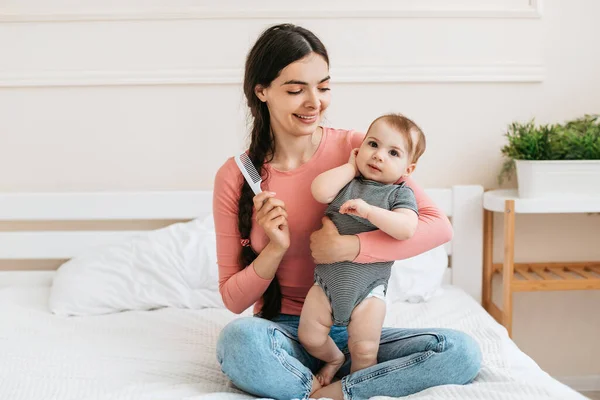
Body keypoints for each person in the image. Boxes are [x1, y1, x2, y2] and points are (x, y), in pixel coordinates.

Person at [213, 23, 481, 400]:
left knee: (460, 352)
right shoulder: (239, 177)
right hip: (284, 334)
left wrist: (350, 249)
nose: (314, 103)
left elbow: (437, 228)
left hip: (358, 329)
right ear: (262, 92)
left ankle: (337, 391)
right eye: (295, 89)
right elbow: (233, 300)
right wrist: (273, 249)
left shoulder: (362, 150)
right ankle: (334, 386)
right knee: (239, 342)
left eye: (323, 87)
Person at [298, 113, 424, 387]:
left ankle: (353, 389)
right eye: (373, 144)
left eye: (393, 152)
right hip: (326, 284)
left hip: (369, 291)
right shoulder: (347, 181)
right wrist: (349, 168)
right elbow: (320, 191)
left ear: (408, 169)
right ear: (360, 148)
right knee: (309, 336)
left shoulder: (399, 193)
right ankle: (333, 359)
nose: (379, 156)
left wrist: (369, 212)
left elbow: (405, 228)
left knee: (365, 350)